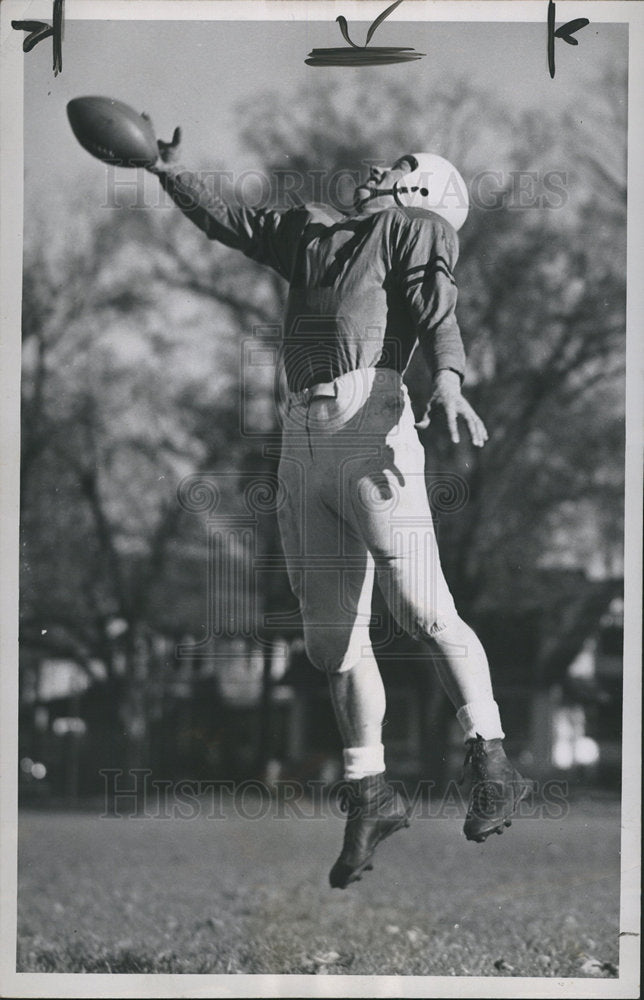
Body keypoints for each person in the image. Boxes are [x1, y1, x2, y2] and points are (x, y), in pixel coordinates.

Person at [146, 135, 532, 889]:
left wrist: (449, 380)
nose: (376, 171)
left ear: (419, 191)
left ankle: (491, 759)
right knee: (330, 643)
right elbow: (231, 219)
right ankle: (371, 794)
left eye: (397, 169)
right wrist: (168, 172)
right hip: (301, 436)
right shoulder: (314, 231)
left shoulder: (414, 228)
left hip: (369, 420)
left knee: (422, 605)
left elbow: (436, 301)